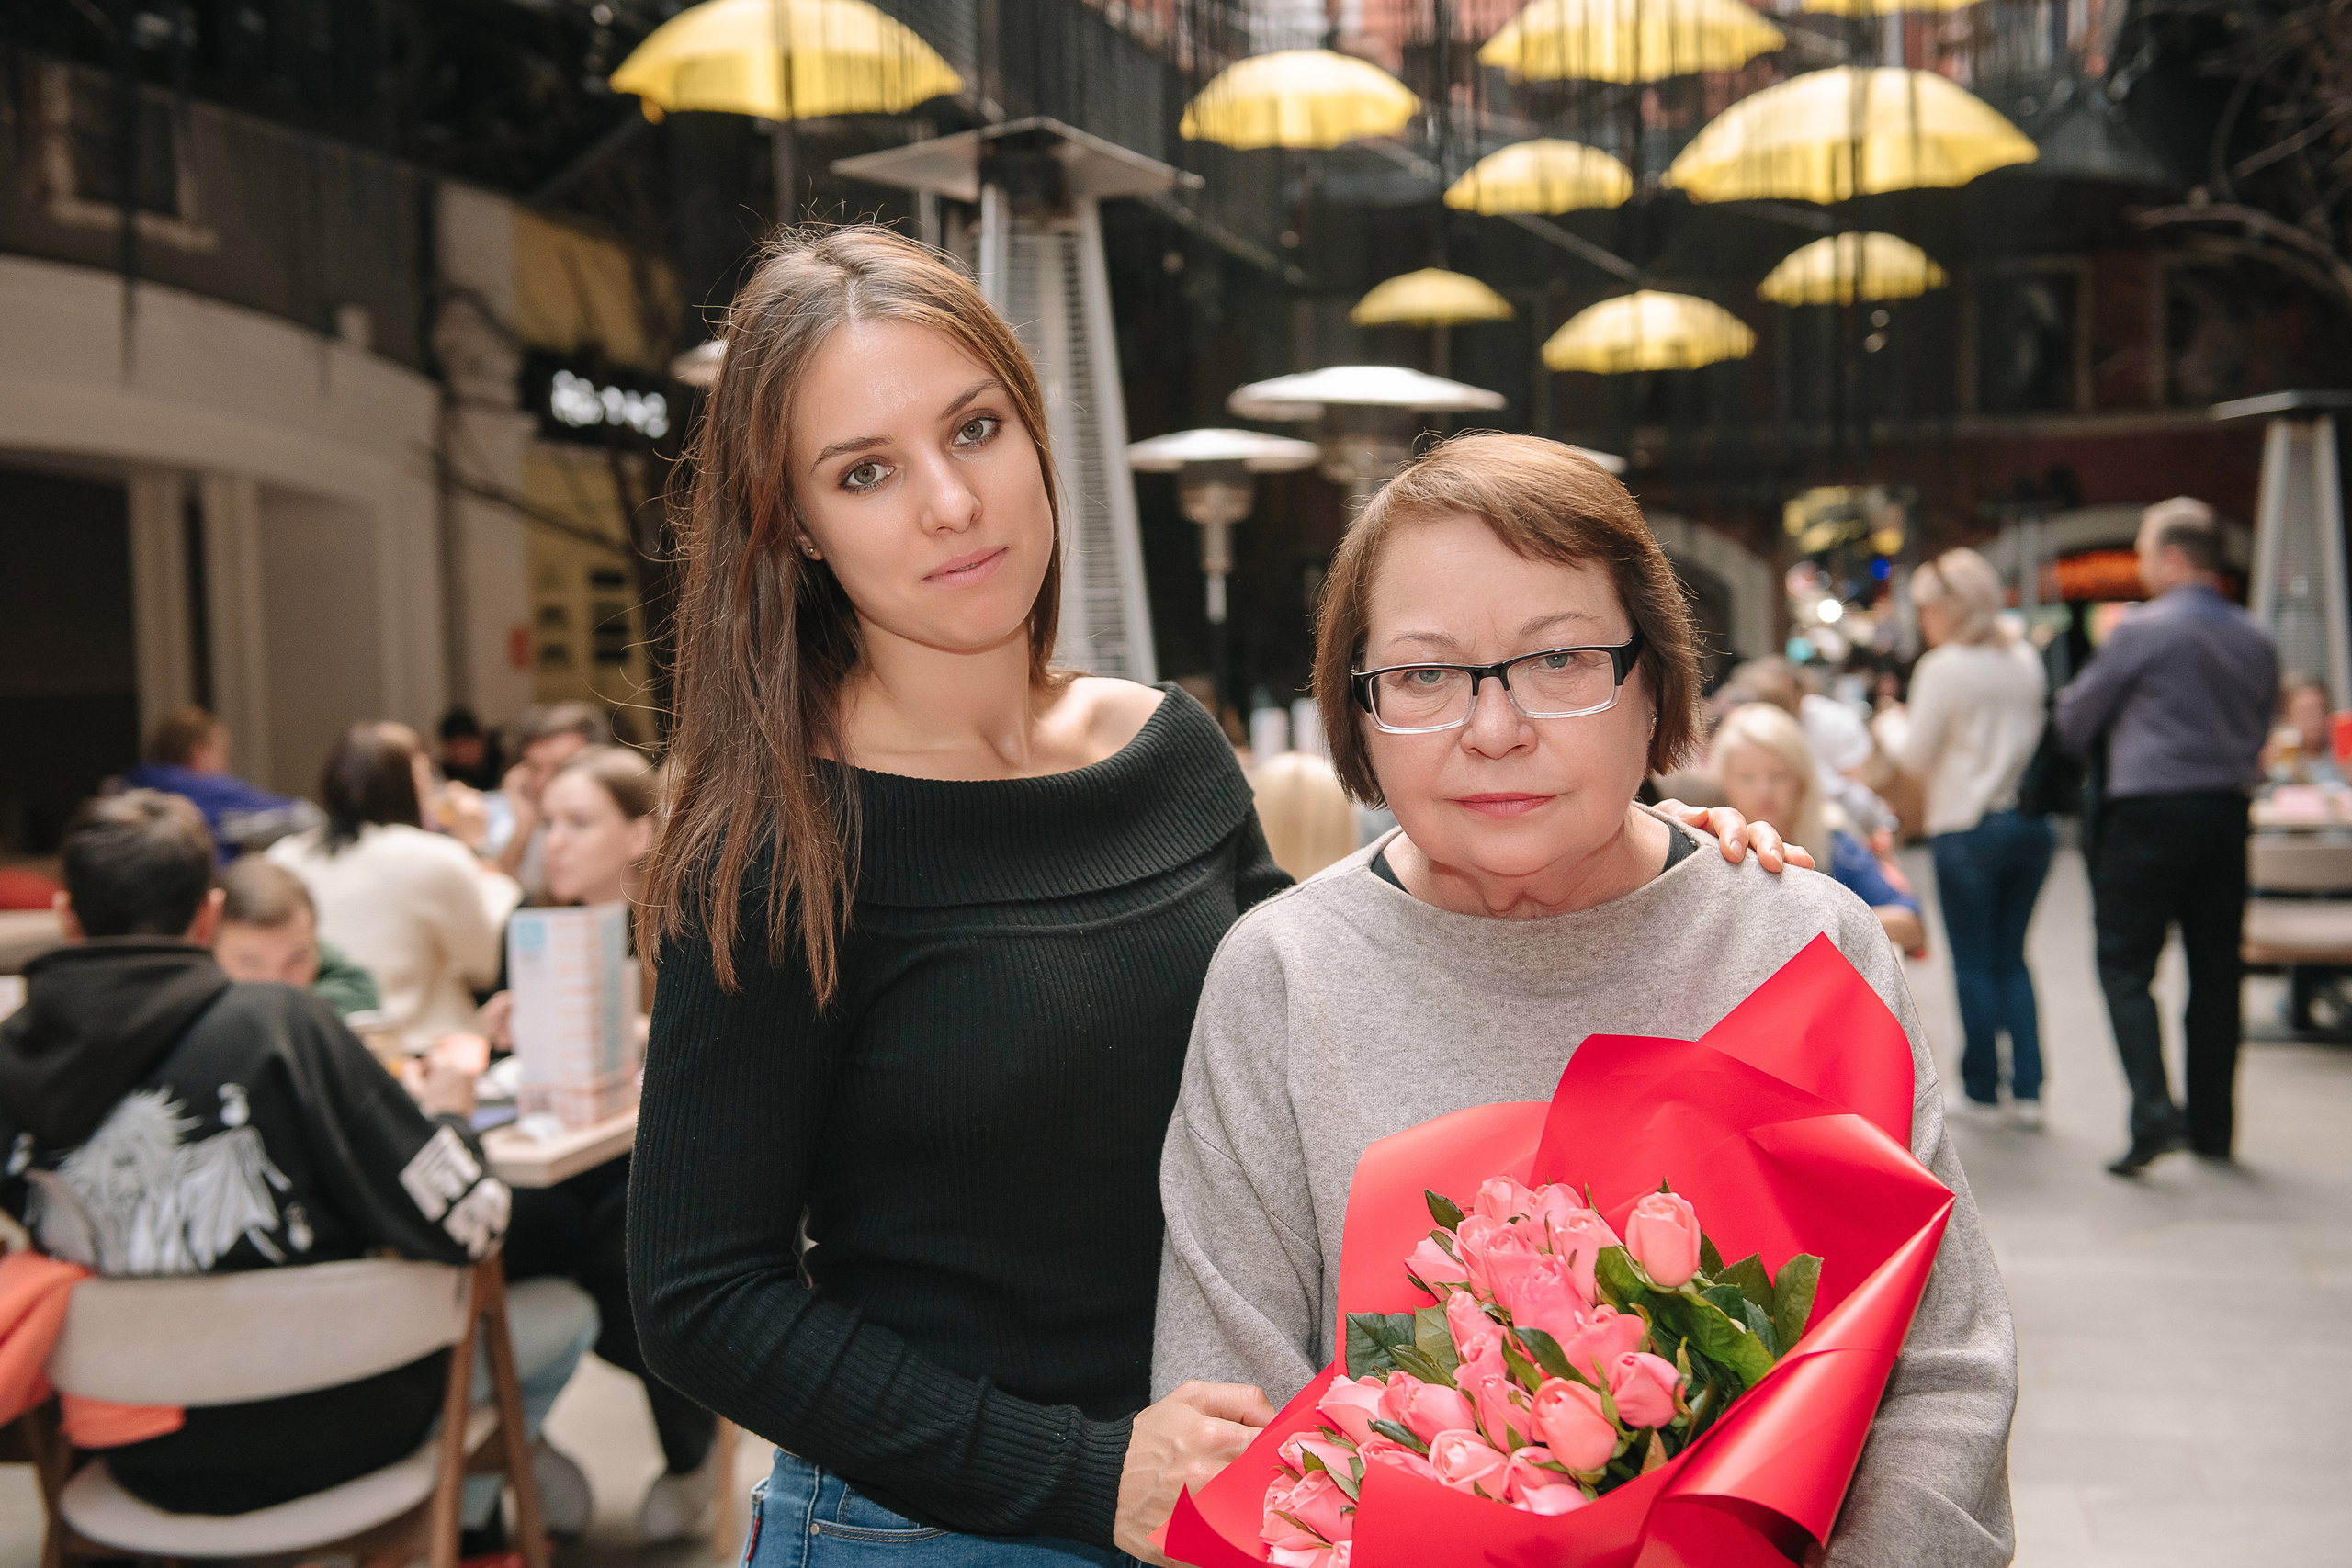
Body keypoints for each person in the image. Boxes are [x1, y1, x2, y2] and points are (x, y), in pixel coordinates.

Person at [622, 227, 1805, 1568]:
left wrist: (1632, 850)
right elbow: (700, 1295)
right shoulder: (778, 841)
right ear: (794, 524)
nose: (950, 501)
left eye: (976, 427)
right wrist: (1087, 1472)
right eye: (867, 470)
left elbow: (1352, 994)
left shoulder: (1164, 750)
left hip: (1252, 1491)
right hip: (931, 1525)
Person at [1153, 434, 2018, 1568]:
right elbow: (1230, 1414)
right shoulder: (1280, 976)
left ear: (1650, 678)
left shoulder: (1799, 946)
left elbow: (1940, 1374)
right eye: (1422, 674)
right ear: (1355, 710)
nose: (1495, 728)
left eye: (1559, 661)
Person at [0, 792, 592, 1551]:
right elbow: (475, 1221)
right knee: (562, 1308)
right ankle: (478, 1532)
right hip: (340, 1429)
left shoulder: (11, 1059)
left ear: (67, 916)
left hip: (131, 1449)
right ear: (209, 918)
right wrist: (447, 1117)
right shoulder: (279, 1024)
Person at [487, 745, 722, 1542]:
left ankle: (696, 1460)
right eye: (548, 823)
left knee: (637, 1252)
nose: (554, 841)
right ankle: (518, 1450)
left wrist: (636, 1035)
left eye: (578, 822)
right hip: (557, 1166)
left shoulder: (682, 929)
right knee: (486, 1242)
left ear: (637, 834)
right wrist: (501, 1036)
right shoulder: (526, 930)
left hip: (659, 1168)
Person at [2054, 497, 2278, 1175]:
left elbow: (2075, 722)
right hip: (2226, 813)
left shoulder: (2141, 630)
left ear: (2175, 558)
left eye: (2149, 554)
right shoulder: (2257, 637)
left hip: (2148, 813)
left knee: (2126, 965)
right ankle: (2213, 1127)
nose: (2146, 568)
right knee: (2217, 971)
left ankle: (2153, 1111)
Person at [1892, 548, 2054, 1130]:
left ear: (1950, 608)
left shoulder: (1945, 667)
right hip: (2031, 826)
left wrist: (1889, 724)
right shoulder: (2024, 660)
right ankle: (2031, 1090)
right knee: (2013, 959)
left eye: (1929, 609)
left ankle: (1983, 1089)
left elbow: (1914, 756)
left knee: (1973, 964)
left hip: (1966, 824)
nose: (1925, 622)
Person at [269, 723, 521, 1047]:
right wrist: (477, 846)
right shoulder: (433, 857)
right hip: (418, 1051)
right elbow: (488, 963)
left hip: (314, 1047)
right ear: (412, 783)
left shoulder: (283, 857)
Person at [1713, 701, 1926, 954]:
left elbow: (1910, 922)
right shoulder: (1710, 851)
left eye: (1778, 776)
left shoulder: (1834, 844)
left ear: (1801, 781)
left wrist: (1818, 924)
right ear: (1724, 783)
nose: (1764, 792)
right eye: (1747, 778)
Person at [122, 705, 319, 863]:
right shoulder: (208, 792)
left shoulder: (131, 791)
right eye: (223, 753)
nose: (227, 766)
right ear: (198, 753)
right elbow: (305, 816)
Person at [212, 855, 380, 1018]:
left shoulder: (346, 980)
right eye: (250, 962)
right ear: (209, 948)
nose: (277, 985)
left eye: (296, 959)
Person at [486, 702, 613, 899]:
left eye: (561, 767)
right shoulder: (507, 812)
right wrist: (524, 827)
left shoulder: (612, 818)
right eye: (535, 768)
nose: (545, 781)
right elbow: (502, 901)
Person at [2262, 677, 2342, 788]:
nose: (2314, 719)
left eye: (2320, 710)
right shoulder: (2279, 757)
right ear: (2287, 717)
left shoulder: (2339, 753)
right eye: (2305, 712)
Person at [437, 706, 503, 792]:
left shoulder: (503, 766)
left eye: (465, 743)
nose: (460, 752)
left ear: (481, 740)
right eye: (454, 746)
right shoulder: (444, 774)